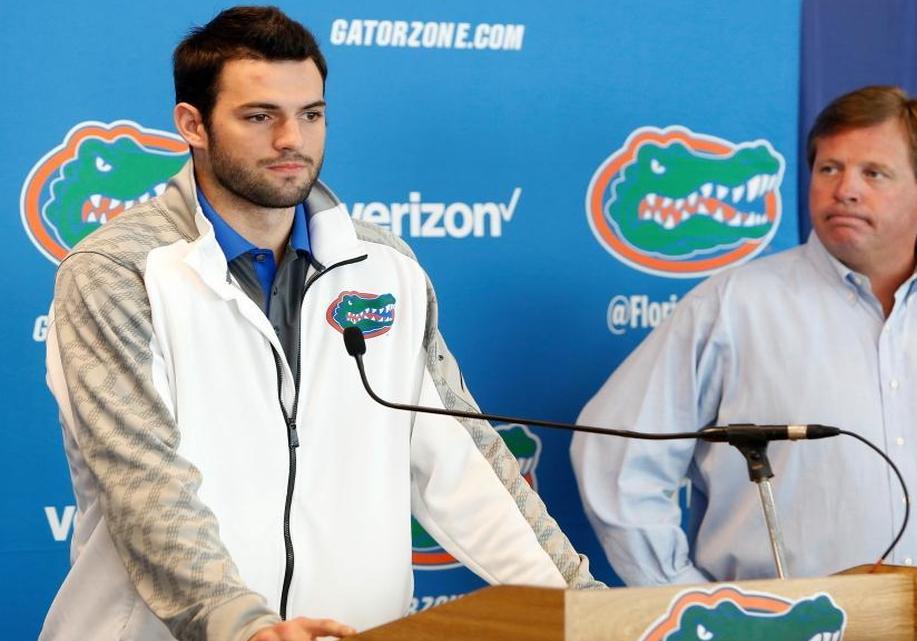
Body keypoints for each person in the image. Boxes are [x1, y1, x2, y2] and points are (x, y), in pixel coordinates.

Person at [41, 7, 599, 641]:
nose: (292, 140)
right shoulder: (119, 272)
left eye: (311, 114)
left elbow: (464, 462)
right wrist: (244, 627)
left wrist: (583, 606)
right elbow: (142, 482)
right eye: (260, 116)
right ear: (192, 124)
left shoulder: (384, 266)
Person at [571, 85, 917, 641]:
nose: (845, 190)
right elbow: (615, 455)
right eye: (829, 168)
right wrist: (684, 601)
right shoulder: (733, 306)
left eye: (873, 174)